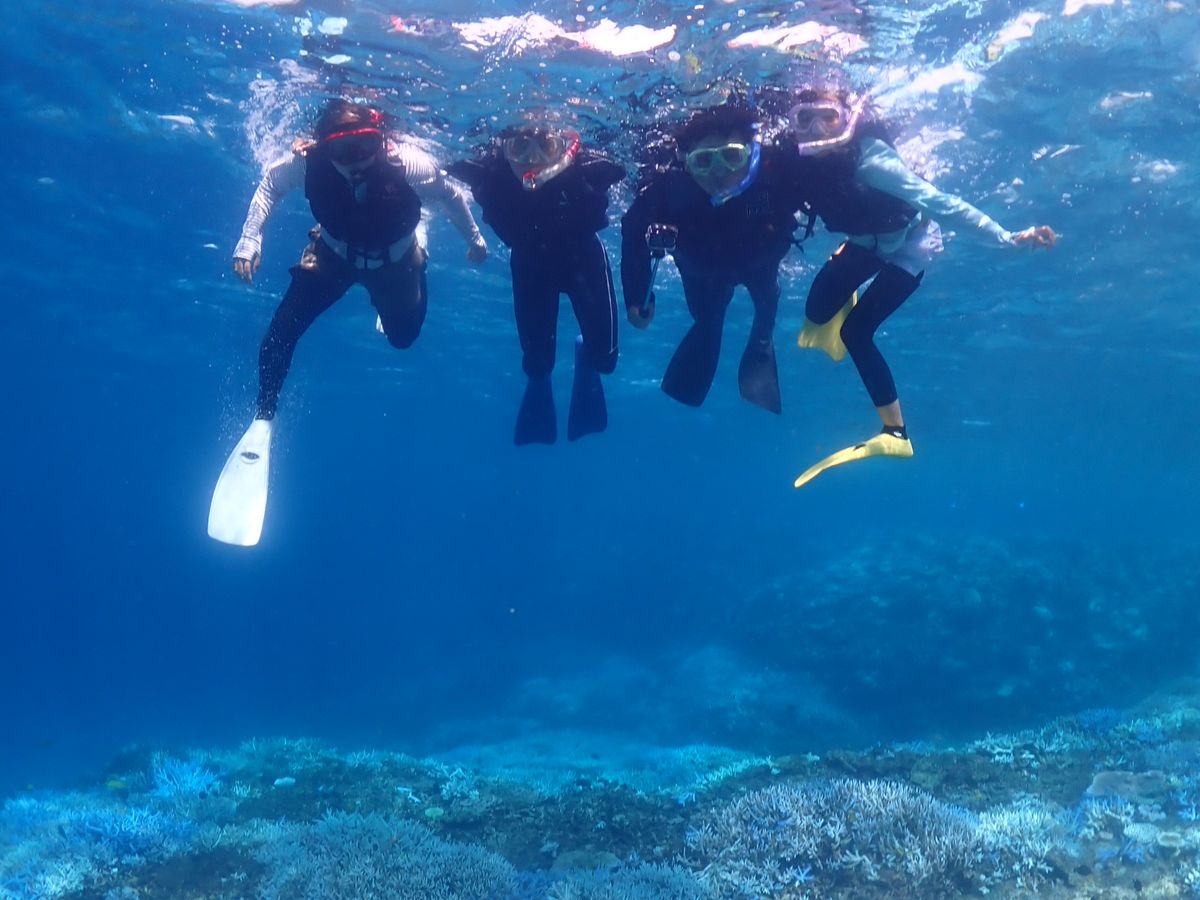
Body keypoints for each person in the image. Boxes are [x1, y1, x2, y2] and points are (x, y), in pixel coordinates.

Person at [787, 87, 1056, 488]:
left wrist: (1006, 237)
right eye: (803, 118)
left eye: (827, 116)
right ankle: (846, 289)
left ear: (847, 118)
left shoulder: (873, 163)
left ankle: (895, 434)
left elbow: (941, 204)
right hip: (864, 242)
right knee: (813, 316)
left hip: (911, 245)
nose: (815, 129)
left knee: (855, 333)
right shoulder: (799, 163)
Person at [231, 99, 488, 427]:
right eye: (343, 151)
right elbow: (270, 185)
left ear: (380, 140)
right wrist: (250, 238)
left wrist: (475, 240)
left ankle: (418, 243)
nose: (357, 162)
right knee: (280, 333)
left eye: (365, 146)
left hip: (396, 262)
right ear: (325, 149)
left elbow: (450, 194)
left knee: (402, 338)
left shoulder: (406, 163)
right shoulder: (310, 164)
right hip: (332, 256)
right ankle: (264, 414)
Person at [620, 103, 811, 414]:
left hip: (758, 261)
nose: (719, 173)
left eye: (732, 156)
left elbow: (823, 184)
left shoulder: (771, 179)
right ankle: (717, 326)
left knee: (765, 301)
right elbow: (632, 231)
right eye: (704, 161)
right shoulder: (669, 190)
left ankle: (762, 338)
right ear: (686, 163)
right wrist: (636, 294)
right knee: (708, 316)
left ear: (751, 153)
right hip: (702, 270)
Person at [447, 120, 625, 444]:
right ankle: (542, 382)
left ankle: (587, 356)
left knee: (606, 361)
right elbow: (441, 156)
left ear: (565, 148)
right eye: (519, 146)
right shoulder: (487, 172)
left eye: (546, 145)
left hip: (584, 260)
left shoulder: (589, 169)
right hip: (530, 266)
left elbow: (636, 165)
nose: (533, 158)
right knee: (537, 365)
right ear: (503, 149)